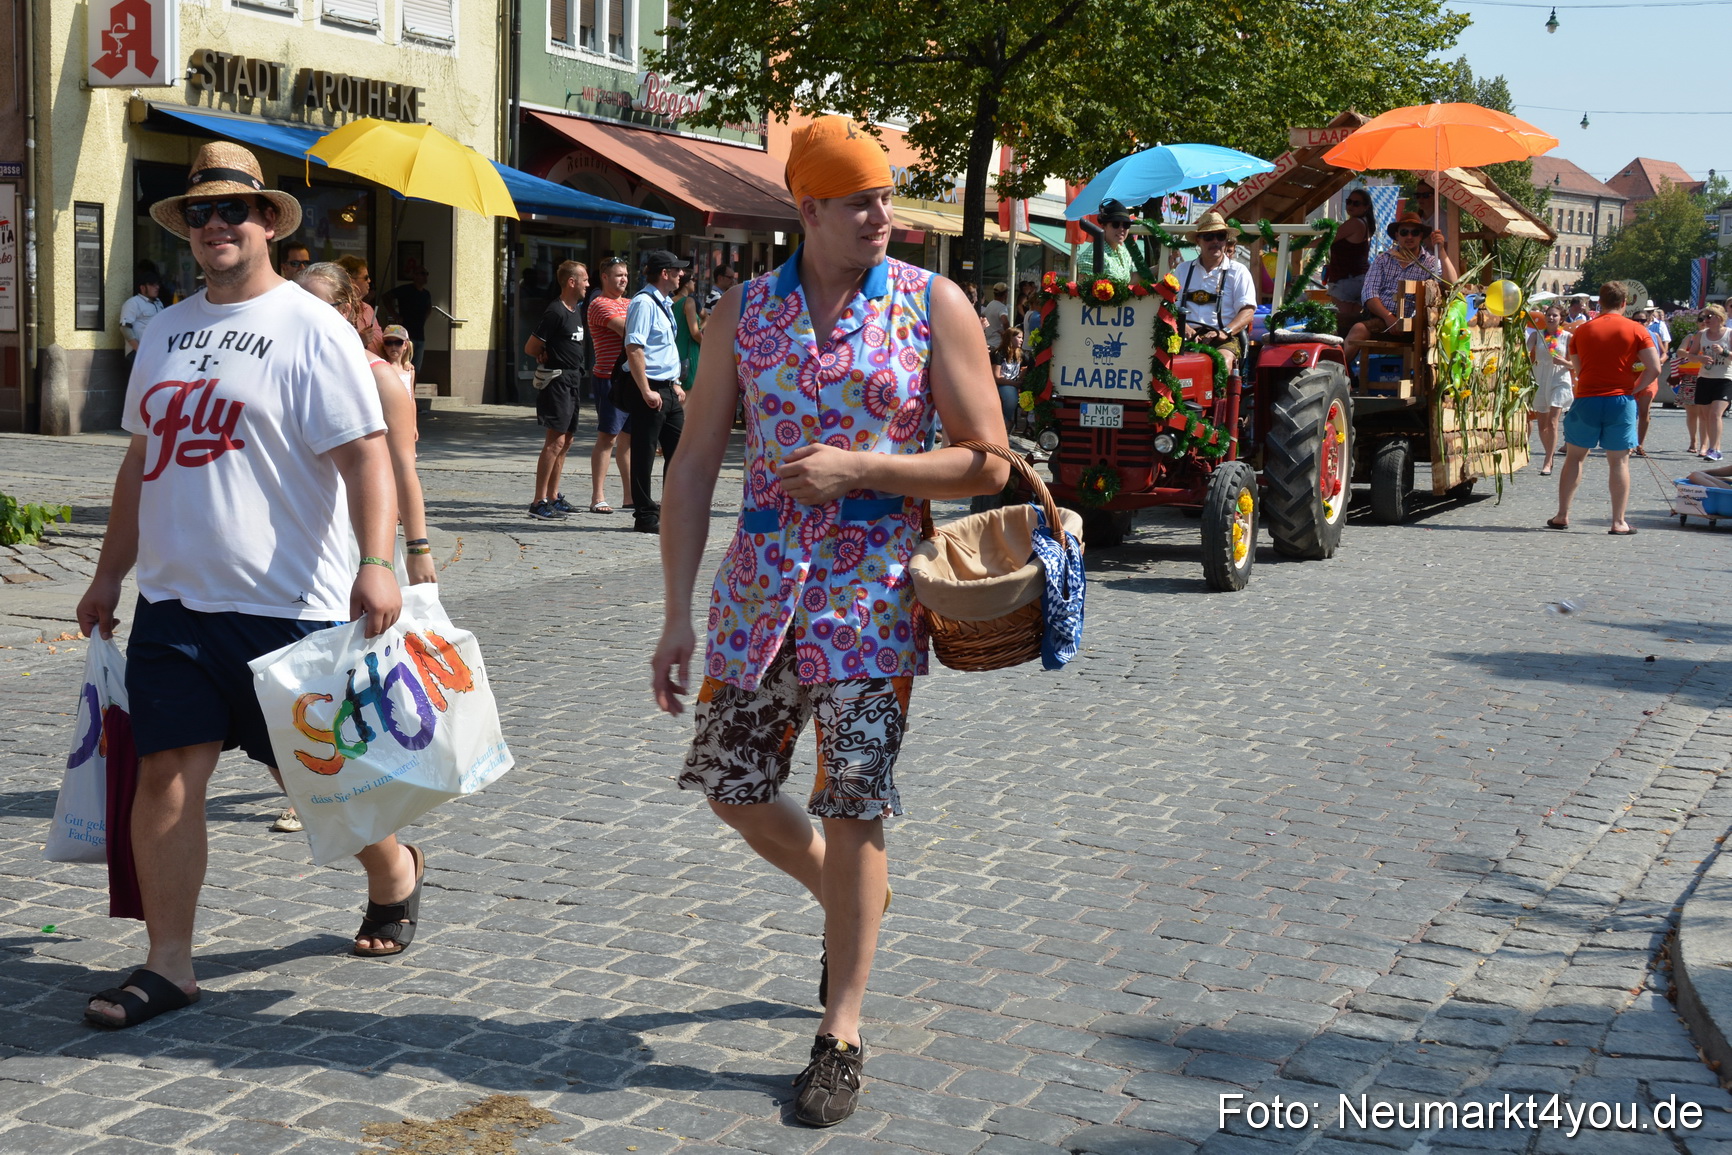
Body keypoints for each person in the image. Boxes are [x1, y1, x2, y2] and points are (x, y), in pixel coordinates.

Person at [650, 115, 1009, 1129]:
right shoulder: (740, 315)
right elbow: (691, 468)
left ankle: (839, 1034)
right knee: (730, 783)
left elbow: (986, 458)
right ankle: (847, 899)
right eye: (859, 201)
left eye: (887, 196)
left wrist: (868, 469)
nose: (881, 216)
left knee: (856, 804)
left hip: (874, 599)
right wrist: (676, 614)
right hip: (759, 592)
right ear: (805, 209)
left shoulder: (931, 304)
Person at [75, 142, 415, 1030]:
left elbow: (366, 456)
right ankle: (169, 965)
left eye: (235, 210)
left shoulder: (313, 328)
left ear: (269, 222)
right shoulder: (164, 332)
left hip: (288, 605)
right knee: (165, 777)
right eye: (200, 213)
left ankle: (394, 870)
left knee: (319, 783)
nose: (216, 225)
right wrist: (111, 571)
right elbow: (140, 462)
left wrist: (378, 562)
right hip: (178, 602)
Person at [1548, 281, 1662, 534]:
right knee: (1619, 462)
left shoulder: (1582, 330)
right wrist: (1634, 387)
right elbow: (1655, 368)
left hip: (1587, 398)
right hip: (1620, 400)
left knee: (1575, 458)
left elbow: (1577, 368)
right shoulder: (1636, 329)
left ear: (1599, 302)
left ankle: (1562, 514)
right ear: (1625, 303)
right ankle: (1618, 522)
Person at [621, 250, 688, 534]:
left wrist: (675, 383)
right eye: (677, 270)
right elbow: (634, 347)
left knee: (680, 452)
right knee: (644, 454)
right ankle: (645, 516)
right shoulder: (643, 303)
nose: (681, 274)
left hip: (669, 390)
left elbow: (663, 349)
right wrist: (646, 389)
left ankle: (672, 509)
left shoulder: (664, 302)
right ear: (664, 273)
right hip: (650, 390)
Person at [1343, 211, 1458, 369]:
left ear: (1421, 236)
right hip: (1384, 320)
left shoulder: (1430, 262)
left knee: (1431, 337)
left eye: (1414, 232)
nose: (1409, 236)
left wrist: (1442, 250)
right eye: (1404, 232)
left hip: (1417, 325)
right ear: (1397, 235)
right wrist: (1389, 317)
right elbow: (1369, 294)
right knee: (1358, 329)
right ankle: (1338, 372)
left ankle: (1424, 382)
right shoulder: (1383, 259)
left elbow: (1452, 284)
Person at [525, 260, 593, 519]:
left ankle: (553, 496)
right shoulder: (555, 311)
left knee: (567, 441)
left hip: (573, 381)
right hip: (557, 382)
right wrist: (543, 354)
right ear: (571, 282)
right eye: (584, 279)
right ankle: (538, 501)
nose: (588, 283)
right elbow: (530, 347)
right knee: (555, 442)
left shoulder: (575, 309)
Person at [1171, 210, 1257, 376]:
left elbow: (1247, 312)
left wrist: (1225, 332)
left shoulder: (1239, 271)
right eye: (1209, 237)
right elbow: (1169, 305)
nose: (1215, 241)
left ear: (1226, 240)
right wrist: (1185, 327)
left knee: (1222, 362)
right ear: (1198, 240)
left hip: (1223, 339)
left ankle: (1220, 401)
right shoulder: (1182, 270)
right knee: (1158, 361)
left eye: (1220, 236)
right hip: (1184, 337)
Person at [586, 258, 634, 514]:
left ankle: (630, 496)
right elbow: (629, 331)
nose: (623, 279)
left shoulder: (629, 302)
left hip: (631, 378)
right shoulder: (599, 304)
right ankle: (598, 496)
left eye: (625, 274)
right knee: (608, 437)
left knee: (629, 439)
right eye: (618, 275)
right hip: (608, 378)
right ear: (604, 277)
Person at [1526, 305, 1573, 476]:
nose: (1551, 318)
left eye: (1555, 315)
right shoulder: (1536, 335)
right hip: (1541, 379)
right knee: (1542, 425)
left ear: (1561, 318)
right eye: (1548, 315)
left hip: (1560, 379)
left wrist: (1565, 363)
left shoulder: (1568, 337)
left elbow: (1578, 363)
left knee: (1553, 422)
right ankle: (1550, 454)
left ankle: (1547, 460)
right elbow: (1523, 351)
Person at [1679, 304, 1730, 461]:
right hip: (1704, 378)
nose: (1705, 320)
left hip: (1725, 379)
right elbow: (1690, 355)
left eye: (1709, 316)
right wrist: (1699, 358)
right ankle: (1709, 447)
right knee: (1706, 416)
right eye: (1703, 317)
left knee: (1715, 414)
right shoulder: (1701, 335)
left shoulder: (1729, 334)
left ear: (1719, 318)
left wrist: (1724, 352)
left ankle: (1715, 449)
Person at [1325, 189, 1373, 333]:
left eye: (1356, 203)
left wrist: (1293, 243)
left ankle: (1343, 354)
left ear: (1366, 207)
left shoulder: (1355, 223)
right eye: (1348, 201)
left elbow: (1327, 240)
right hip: (1360, 279)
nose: (1350, 206)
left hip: (1345, 279)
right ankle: (1351, 353)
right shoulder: (1366, 224)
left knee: (1342, 324)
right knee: (1352, 323)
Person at [384, 261, 433, 374]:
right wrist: (394, 314)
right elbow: (386, 297)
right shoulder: (405, 290)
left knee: (416, 369)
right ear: (415, 275)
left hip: (420, 335)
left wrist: (424, 317)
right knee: (404, 365)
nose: (425, 276)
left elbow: (429, 308)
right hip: (406, 335)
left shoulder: (426, 294)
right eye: (422, 273)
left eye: (426, 273)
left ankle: (412, 390)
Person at [118, 263, 165, 379]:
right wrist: (139, 350)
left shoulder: (159, 303)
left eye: (157, 284)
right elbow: (125, 328)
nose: (157, 287)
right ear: (143, 287)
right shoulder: (133, 303)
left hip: (157, 353)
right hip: (138, 354)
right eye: (152, 285)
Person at [336, 255, 384, 355]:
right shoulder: (339, 311)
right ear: (350, 280)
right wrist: (359, 341)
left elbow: (381, 342)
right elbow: (335, 349)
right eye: (366, 278)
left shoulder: (369, 309)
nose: (369, 281)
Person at [993, 326, 1030, 432]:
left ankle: (1005, 422)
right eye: (1019, 337)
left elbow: (1029, 365)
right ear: (1010, 338)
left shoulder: (1020, 353)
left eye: (1022, 338)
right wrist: (1014, 384)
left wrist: (1021, 375)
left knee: (1011, 395)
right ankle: (1005, 421)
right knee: (1010, 397)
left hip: (1012, 383)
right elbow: (997, 378)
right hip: (1000, 383)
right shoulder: (999, 354)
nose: (1022, 340)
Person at [674, 269, 703, 389]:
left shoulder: (669, 300)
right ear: (686, 283)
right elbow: (695, 332)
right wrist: (707, 344)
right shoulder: (688, 301)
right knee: (689, 395)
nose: (695, 283)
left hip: (675, 350)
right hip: (689, 351)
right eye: (693, 280)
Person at [1097, 199, 1137, 283]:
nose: (1121, 229)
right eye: (1116, 224)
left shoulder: (1123, 251)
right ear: (1104, 227)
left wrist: (1161, 266)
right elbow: (1085, 291)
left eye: (1126, 225)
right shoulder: (1093, 254)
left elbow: (1131, 279)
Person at [381, 324, 416, 403]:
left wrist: (413, 415)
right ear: (384, 346)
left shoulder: (409, 371)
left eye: (398, 342)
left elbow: (412, 399)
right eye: (389, 343)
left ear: (405, 345)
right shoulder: (382, 369)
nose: (393, 347)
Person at [982, 281, 1010, 352]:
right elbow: (1004, 320)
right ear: (1005, 294)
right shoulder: (1002, 307)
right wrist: (1007, 333)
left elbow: (983, 315)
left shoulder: (990, 305)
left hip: (988, 342)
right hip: (998, 343)